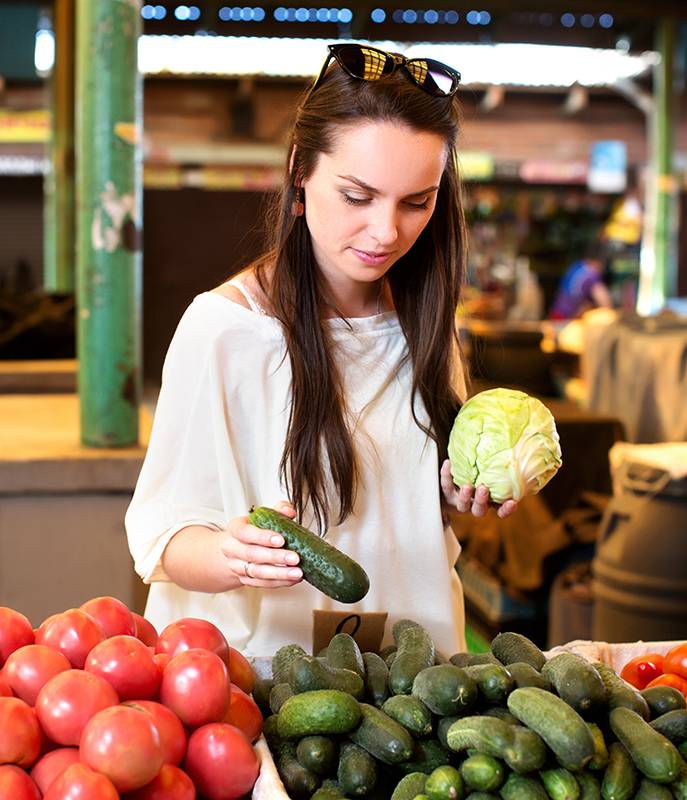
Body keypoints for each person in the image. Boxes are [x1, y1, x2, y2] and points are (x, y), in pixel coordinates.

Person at [126, 43, 517, 659]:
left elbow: (412, 504)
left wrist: (459, 491)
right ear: (299, 172)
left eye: (417, 202)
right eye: (358, 196)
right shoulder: (224, 330)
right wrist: (233, 555)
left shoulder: (427, 323)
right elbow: (160, 537)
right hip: (267, 683)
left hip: (414, 675)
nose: (387, 231)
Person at [549, 241, 613, 320]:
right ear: (600, 262)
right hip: (565, 319)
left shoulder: (577, 266)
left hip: (557, 313)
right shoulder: (590, 273)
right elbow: (605, 302)